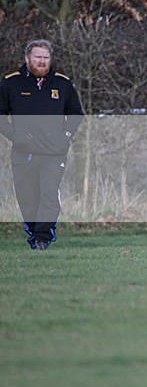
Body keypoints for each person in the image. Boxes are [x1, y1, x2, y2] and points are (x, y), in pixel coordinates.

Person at [0, 39, 84, 250]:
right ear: (27, 58)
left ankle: (42, 237)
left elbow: (76, 114)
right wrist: (15, 136)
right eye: (38, 57)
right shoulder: (11, 83)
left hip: (54, 153)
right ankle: (34, 229)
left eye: (46, 58)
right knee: (27, 197)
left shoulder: (62, 83)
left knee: (48, 192)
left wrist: (65, 135)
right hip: (23, 152)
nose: (42, 62)